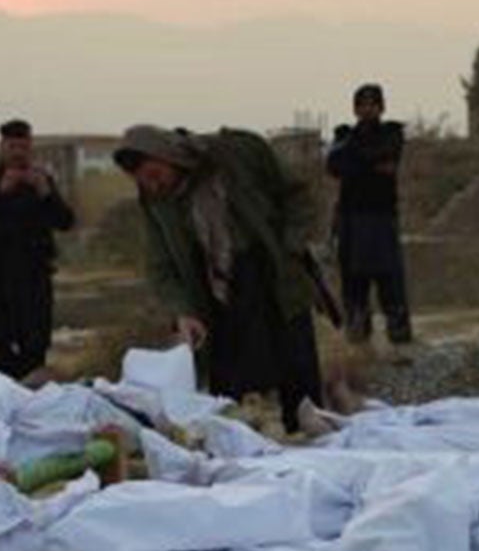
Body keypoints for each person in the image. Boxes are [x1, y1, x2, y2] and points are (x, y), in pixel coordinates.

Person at [112, 123, 326, 432]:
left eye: (156, 176)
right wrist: (183, 311)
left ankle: (308, 445)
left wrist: (290, 246)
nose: (154, 187)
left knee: (297, 382)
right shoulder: (157, 202)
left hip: (273, 277)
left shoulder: (237, 153)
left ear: (169, 156)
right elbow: (162, 268)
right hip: (217, 296)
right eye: (144, 182)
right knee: (232, 400)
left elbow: (297, 196)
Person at [0, 119, 75, 380]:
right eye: (12, 146)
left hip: (33, 276)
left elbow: (65, 221)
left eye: (23, 147)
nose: (18, 153)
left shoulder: (41, 180)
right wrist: (0, 192)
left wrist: (45, 192)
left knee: (34, 347)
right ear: (2, 147)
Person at [325, 82, 412, 346]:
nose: (367, 110)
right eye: (362, 105)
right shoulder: (344, 136)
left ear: (381, 107)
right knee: (354, 285)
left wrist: (356, 162)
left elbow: (386, 155)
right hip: (352, 220)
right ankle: (359, 343)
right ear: (355, 109)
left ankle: (399, 342)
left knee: (390, 284)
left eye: (372, 104)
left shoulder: (391, 133)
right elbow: (333, 166)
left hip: (380, 218)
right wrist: (368, 163)